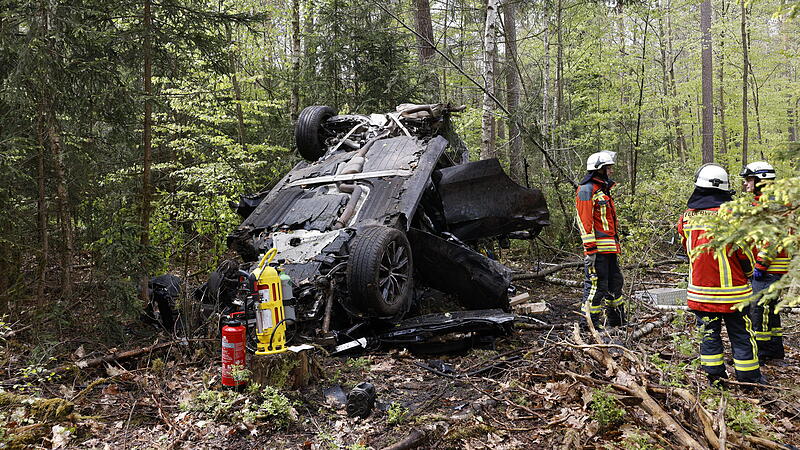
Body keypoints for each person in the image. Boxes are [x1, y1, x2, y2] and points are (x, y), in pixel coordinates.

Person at [678, 164, 764, 385]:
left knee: (708, 334)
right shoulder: (733, 216)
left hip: (699, 294)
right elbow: (746, 251)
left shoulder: (687, 218)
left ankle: (715, 377)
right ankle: (749, 377)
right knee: (742, 333)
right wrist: (748, 272)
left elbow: (687, 249)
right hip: (733, 294)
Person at [740, 161, 789, 365]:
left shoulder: (771, 204)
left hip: (769, 268)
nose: (746, 184)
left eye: (749, 180)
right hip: (769, 268)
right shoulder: (765, 202)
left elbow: (774, 238)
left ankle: (762, 352)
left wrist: (760, 265)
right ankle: (775, 351)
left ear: (761, 181)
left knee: (759, 311)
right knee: (770, 311)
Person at [576, 151, 625, 327]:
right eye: (608, 168)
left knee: (615, 284)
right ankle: (589, 326)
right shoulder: (586, 190)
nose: (611, 171)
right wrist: (590, 251)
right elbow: (584, 222)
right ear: (599, 170)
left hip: (609, 249)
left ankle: (617, 323)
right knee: (596, 288)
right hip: (597, 252)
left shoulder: (602, 189)